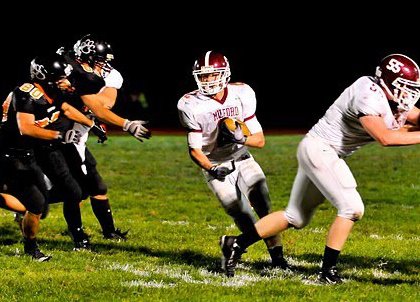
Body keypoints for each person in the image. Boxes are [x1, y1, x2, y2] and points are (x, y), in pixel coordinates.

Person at [219, 53, 420, 282]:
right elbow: (386, 137)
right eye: (404, 87)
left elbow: (413, 119)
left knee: (295, 217)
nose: (408, 93)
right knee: (352, 208)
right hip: (321, 150)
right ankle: (328, 272)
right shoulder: (368, 95)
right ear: (387, 82)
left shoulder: (386, 96)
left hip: (319, 150)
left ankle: (235, 243)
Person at [177, 50, 289, 276]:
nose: (208, 80)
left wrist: (242, 138)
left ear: (225, 73)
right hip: (215, 164)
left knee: (264, 207)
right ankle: (236, 244)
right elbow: (194, 150)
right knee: (241, 214)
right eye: (204, 76)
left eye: (213, 75)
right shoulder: (189, 104)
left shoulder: (242, 93)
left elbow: (260, 141)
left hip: (242, 157)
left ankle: (277, 258)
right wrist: (211, 168)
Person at [0, 53, 92, 260]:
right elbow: (26, 129)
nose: (64, 81)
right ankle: (31, 250)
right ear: (44, 77)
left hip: (27, 153)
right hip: (9, 154)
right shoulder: (26, 93)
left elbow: (66, 109)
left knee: (40, 204)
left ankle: (31, 247)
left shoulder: (52, 92)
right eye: (59, 77)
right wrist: (59, 135)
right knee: (37, 202)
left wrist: (90, 124)